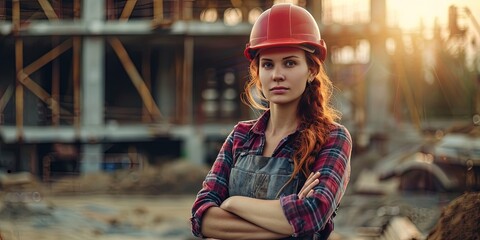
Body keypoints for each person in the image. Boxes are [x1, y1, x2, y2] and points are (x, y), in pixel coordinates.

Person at [190, 3, 352, 239]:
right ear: (258, 72)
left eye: (290, 63)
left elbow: (313, 215)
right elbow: (200, 217)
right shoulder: (241, 137)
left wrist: (233, 203)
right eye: (268, 64)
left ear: (311, 70)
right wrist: (286, 223)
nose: (277, 75)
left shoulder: (333, 138)